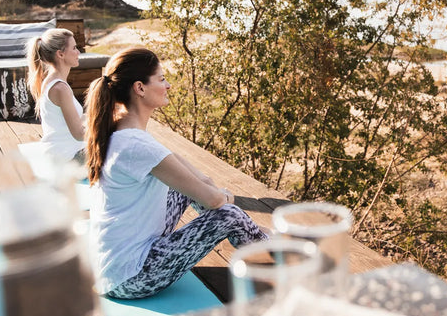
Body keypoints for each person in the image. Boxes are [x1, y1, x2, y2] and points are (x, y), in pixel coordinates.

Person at [84, 47, 268, 299]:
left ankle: (259, 239)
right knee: (228, 215)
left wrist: (212, 192)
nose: (168, 85)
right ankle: (271, 250)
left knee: (185, 191)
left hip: (113, 268)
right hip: (130, 276)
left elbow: (199, 181)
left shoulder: (123, 132)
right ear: (140, 88)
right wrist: (223, 198)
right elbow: (214, 200)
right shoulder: (137, 145)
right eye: (161, 79)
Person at [27, 28, 86, 162]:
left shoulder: (51, 80)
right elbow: (79, 134)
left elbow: (73, 120)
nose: (78, 52)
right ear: (61, 54)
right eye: (74, 48)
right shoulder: (60, 88)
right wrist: (107, 129)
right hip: (68, 159)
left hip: (61, 153)